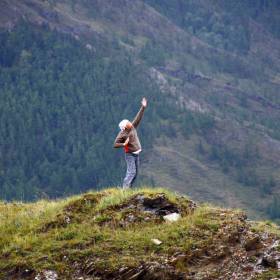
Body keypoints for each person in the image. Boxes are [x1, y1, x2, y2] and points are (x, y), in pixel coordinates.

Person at [113, 97, 147, 189]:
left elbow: (138, 118)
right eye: (128, 123)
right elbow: (115, 144)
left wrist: (143, 107)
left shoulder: (132, 127)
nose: (130, 122)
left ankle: (129, 189)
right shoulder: (123, 133)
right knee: (131, 172)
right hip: (130, 155)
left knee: (135, 174)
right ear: (124, 127)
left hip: (136, 154)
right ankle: (125, 189)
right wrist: (123, 144)